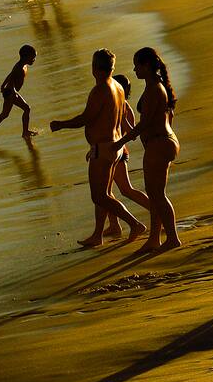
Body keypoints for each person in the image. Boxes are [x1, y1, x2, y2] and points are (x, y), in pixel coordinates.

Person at [52, 49, 147, 248]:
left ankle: (134, 224)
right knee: (105, 194)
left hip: (104, 148)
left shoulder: (100, 90)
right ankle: (98, 234)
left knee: (99, 196)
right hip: (114, 146)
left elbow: (86, 118)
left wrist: (61, 124)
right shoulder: (118, 87)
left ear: (94, 68)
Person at [112, 47, 181, 252]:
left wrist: (119, 142)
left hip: (159, 144)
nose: (134, 70)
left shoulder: (154, 89)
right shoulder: (156, 85)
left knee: (157, 195)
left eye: (137, 65)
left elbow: (145, 124)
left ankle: (172, 238)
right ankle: (154, 239)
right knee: (155, 194)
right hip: (162, 142)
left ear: (147, 65)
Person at [104, 74, 151, 238]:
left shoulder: (122, 106)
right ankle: (114, 225)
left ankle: (157, 211)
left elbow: (131, 131)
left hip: (117, 153)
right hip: (116, 151)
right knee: (107, 192)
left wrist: (116, 144)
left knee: (124, 190)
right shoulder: (122, 104)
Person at [0, 45, 38, 142]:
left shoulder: (22, 65)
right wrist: (14, 92)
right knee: (27, 108)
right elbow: (12, 79)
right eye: (33, 57)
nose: (34, 59)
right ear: (25, 57)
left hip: (10, 92)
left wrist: (3, 84)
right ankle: (25, 132)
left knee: (4, 114)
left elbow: (10, 74)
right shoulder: (19, 67)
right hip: (11, 93)